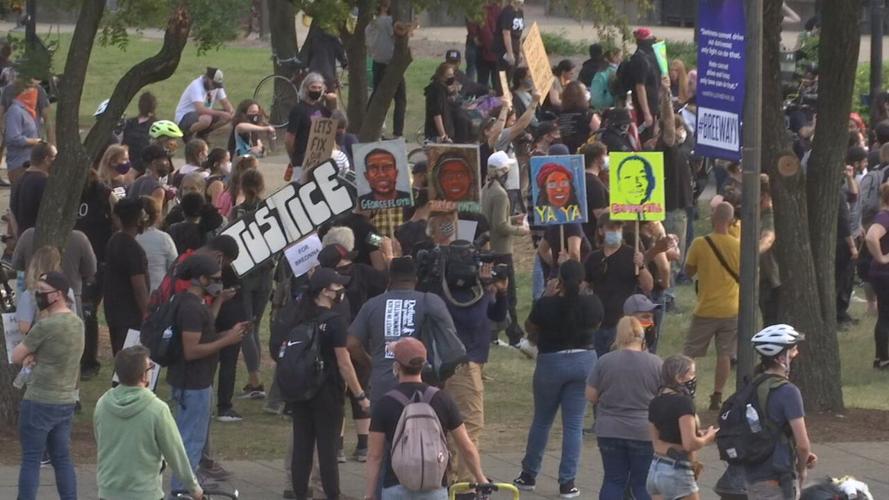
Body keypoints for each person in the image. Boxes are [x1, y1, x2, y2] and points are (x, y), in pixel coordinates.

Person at [272, 267, 368, 500]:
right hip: (327, 392)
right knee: (327, 450)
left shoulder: (298, 315)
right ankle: (331, 494)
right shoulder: (334, 321)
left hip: (300, 389)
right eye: (337, 286)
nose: (341, 290)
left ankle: (299, 493)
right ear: (325, 291)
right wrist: (360, 395)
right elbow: (344, 362)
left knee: (302, 447)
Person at [514, 260, 602, 498]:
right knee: (573, 424)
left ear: (559, 281)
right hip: (584, 360)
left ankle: (529, 474)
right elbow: (597, 324)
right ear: (583, 281)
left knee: (542, 420)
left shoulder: (546, 304)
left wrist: (546, 295)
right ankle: (567, 482)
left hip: (552, 361)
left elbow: (530, 326)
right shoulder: (592, 303)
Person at [365, 337, 489, 500]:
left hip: (395, 485)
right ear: (423, 365)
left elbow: (375, 456)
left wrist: (370, 494)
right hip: (434, 487)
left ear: (396, 367)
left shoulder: (385, 403)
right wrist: (481, 478)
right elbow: (466, 446)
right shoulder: (442, 399)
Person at [168, 254, 249, 494]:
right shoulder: (192, 308)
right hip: (193, 383)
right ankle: (183, 490)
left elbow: (204, 331)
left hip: (190, 381)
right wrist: (227, 341)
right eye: (215, 279)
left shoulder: (191, 302)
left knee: (191, 438)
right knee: (191, 440)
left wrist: (220, 303)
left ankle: (186, 485)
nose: (218, 283)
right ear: (201, 278)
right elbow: (192, 350)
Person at [94, 346, 203, 500]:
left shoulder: (103, 404)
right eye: (150, 367)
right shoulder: (157, 409)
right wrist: (194, 489)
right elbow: (175, 453)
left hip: (108, 492)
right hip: (145, 493)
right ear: (144, 376)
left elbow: (101, 442)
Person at [12, 271, 84, 500]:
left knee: (31, 459)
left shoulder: (45, 326)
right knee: (61, 458)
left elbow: (16, 355)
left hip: (39, 399)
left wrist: (31, 355)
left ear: (58, 294)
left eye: (43, 291)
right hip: (65, 399)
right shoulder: (77, 324)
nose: (38, 296)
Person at [348, 257, 455, 405]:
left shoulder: (372, 305)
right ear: (416, 279)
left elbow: (351, 343)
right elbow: (450, 338)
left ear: (389, 279)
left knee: (384, 420)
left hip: (383, 386)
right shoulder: (430, 301)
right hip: (423, 384)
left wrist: (372, 363)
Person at [586, 316, 662, 500]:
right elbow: (663, 397)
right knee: (641, 483)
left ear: (618, 336)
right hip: (643, 430)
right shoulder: (656, 363)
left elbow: (591, 395)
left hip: (610, 428)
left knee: (613, 480)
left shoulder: (605, 361)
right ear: (642, 336)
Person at [743, 325, 817, 499]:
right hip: (778, 477)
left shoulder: (752, 384)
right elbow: (803, 444)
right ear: (781, 358)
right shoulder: (788, 392)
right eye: (793, 350)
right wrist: (802, 469)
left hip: (753, 473)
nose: (796, 354)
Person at [683, 201, 740, 410]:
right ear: (731, 221)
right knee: (724, 354)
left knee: (690, 353)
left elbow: (688, 271)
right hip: (731, 308)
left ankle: (685, 391)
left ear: (713, 218)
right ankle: (717, 395)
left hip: (706, 308)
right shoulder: (738, 245)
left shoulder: (700, 243)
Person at [646, 354, 717, 500]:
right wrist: (707, 438)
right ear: (679, 377)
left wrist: (696, 433)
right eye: (692, 373)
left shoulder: (655, 402)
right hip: (676, 470)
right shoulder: (684, 403)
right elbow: (689, 444)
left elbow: (656, 441)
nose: (694, 378)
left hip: (656, 468)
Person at [229, 169, 273, 398]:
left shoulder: (237, 212)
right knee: (254, 324)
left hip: (245, 274)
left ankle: (255, 380)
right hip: (266, 273)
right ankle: (254, 380)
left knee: (247, 327)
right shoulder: (270, 210)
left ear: (242, 187)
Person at [585, 212, 654, 356]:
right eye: (611, 228)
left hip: (623, 324)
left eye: (618, 228)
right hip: (598, 324)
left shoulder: (632, 255)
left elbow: (648, 286)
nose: (615, 232)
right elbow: (582, 287)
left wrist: (641, 266)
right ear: (601, 231)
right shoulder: (593, 258)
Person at [482, 152, 530, 346]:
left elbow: (494, 219)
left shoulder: (487, 189)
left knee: (493, 292)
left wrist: (512, 219)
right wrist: (520, 230)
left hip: (491, 248)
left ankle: (494, 334)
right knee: (509, 295)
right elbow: (500, 225)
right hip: (502, 250)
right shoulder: (501, 194)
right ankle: (515, 336)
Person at [12, 229, 95, 319]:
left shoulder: (28, 235)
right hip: (71, 297)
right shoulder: (79, 238)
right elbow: (90, 270)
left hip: (35, 293)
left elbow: (16, 264)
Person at [103, 197, 150, 355]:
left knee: (120, 356)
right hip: (130, 316)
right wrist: (147, 314)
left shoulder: (113, 240)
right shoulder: (133, 249)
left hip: (114, 312)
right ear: (138, 220)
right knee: (132, 360)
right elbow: (139, 287)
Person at [366, 0, 407, 138]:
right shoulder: (387, 21)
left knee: (377, 96)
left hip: (377, 62)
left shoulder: (371, 24)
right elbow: (400, 31)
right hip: (390, 63)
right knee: (400, 99)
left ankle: (369, 124)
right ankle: (397, 133)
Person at [285, 72, 336, 175]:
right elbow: (289, 139)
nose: (316, 90)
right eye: (313, 87)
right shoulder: (298, 110)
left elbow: (335, 122)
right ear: (306, 88)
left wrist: (334, 101)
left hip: (321, 160)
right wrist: (293, 157)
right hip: (302, 159)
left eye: (319, 88)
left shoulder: (321, 108)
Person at [865, 183, 889, 369]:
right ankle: (884, 358)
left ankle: (880, 357)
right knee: (886, 316)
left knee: (884, 315)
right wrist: (882, 257)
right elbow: (871, 237)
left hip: (881, 273)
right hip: (884, 273)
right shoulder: (884, 217)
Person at [10, 141, 56, 237]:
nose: (56, 161)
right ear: (47, 159)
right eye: (55, 157)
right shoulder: (44, 183)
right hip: (39, 238)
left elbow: (12, 214)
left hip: (23, 238)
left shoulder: (19, 180)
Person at [175, 67, 234, 141]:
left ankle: (202, 134)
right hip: (184, 117)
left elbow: (225, 102)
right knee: (206, 119)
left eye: (217, 85)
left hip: (202, 116)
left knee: (227, 116)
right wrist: (221, 113)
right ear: (207, 78)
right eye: (213, 84)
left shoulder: (216, 87)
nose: (215, 87)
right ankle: (187, 134)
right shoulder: (196, 86)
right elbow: (200, 109)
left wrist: (230, 111)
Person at [135, 196, 178, 292]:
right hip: (158, 290)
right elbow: (174, 267)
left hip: (131, 292)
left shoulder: (126, 237)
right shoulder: (164, 238)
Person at [4, 81, 43, 184]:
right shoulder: (15, 111)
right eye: (29, 88)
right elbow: (13, 138)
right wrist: (36, 142)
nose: (34, 91)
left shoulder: (29, 113)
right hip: (19, 165)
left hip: (31, 164)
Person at [626, 28, 661, 135]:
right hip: (644, 108)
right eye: (651, 38)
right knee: (645, 136)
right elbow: (640, 87)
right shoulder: (640, 59)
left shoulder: (649, 56)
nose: (653, 40)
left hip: (652, 105)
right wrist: (646, 113)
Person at [578, 142, 610, 246]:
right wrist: (619, 207)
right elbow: (599, 214)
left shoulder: (580, 179)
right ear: (598, 159)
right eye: (605, 155)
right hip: (592, 236)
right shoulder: (594, 183)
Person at [301, 22, 348, 89]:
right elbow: (340, 53)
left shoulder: (314, 36)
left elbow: (308, 54)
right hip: (328, 74)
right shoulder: (333, 38)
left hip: (313, 73)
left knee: (312, 92)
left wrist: (306, 66)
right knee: (330, 93)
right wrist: (344, 63)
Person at [128, 144, 172, 213]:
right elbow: (156, 216)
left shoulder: (137, 182)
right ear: (154, 163)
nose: (168, 163)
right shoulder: (157, 188)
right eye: (165, 160)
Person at [121, 91, 157, 174]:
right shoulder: (130, 122)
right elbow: (124, 143)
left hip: (144, 163)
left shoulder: (154, 124)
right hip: (130, 160)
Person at [494, 0, 525, 91]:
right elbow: (506, 33)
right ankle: (501, 95)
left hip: (515, 47)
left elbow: (520, 33)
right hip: (504, 50)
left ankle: (507, 94)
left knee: (510, 76)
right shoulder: (507, 12)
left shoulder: (520, 12)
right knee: (503, 79)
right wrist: (510, 53)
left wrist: (520, 51)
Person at [424, 63, 458, 143]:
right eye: (449, 75)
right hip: (437, 135)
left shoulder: (443, 89)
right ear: (442, 76)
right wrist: (443, 135)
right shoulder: (437, 90)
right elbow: (437, 114)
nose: (451, 77)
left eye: (452, 74)